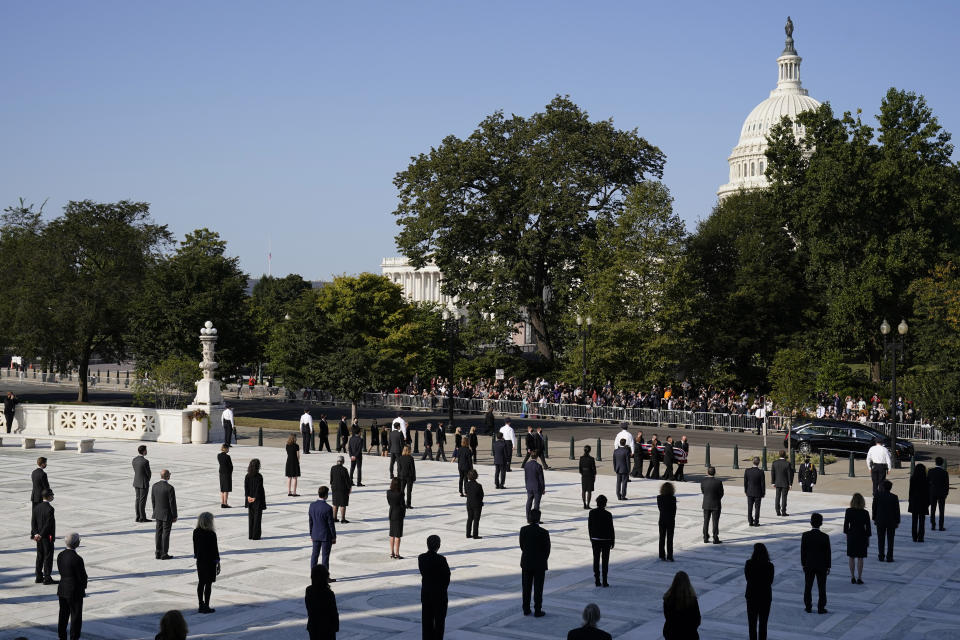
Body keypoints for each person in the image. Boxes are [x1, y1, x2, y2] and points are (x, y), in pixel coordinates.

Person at [519, 508, 550, 617]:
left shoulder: (523, 530)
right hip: (539, 563)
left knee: (526, 587)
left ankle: (526, 609)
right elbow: (547, 550)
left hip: (526, 562)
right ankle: (537, 610)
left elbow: (522, 546)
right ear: (539, 518)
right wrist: (542, 559)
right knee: (538, 588)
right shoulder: (544, 532)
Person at [419, 534, 450, 640]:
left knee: (426, 623)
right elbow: (447, 578)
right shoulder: (441, 560)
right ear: (438, 546)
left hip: (426, 595)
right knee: (439, 624)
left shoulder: (421, 558)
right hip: (439, 596)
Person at [57, 532, 87, 640]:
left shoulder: (60, 555)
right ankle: (74, 638)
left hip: (62, 589)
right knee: (75, 617)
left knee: (63, 615)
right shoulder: (77, 559)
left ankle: (62, 636)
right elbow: (82, 577)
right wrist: (83, 587)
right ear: (76, 543)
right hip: (74, 591)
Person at [801, 512, 831, 614]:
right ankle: (821, 608)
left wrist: (803, 564)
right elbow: (828, 553)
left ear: (811, 523)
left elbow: (803, 552)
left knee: (808, 586)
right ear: (821, 523)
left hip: (809, 564)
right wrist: (828, 566)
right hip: (821, 565)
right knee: (822, 587)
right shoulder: (825, 537)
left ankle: (808, 606)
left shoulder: (805, 535)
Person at [744, 543, 773, 640]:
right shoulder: (770, 566)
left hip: (752, 596)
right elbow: (770, 581)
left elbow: (747, 578)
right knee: (763, 624)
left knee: (752, 624)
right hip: (765, 597)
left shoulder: (749, 563)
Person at [192, 512, 220, 613]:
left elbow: (195, 547)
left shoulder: (196, 532)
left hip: (200, 561)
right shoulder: (211, 534)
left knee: (201, 582)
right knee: (208, 584)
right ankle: (207, 605)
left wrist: (197, 555)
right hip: (210, 562)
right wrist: (218, 562)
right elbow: (215, 550)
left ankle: (201, 604)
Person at [662, 571, 701, 640]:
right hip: (689, 634)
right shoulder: (692, 600)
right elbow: (697, 619)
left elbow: (667, 617)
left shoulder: (668, 599)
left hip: (672, 634)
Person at [843, 492, 871, 584]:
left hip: (852, 535)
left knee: (851, 557)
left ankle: (852, 577)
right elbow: (868, 527)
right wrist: (868, 538)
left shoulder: (849, 511)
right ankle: (859, 577)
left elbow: (846, 526)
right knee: (860, 558)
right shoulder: (865, 513)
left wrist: (847, 536)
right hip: (862, 536)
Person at [305, 564, 339, 640]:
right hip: (327, 628)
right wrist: (336, 627)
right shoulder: (328, 593)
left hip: (313, 626)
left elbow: (309, 607)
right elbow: (333, 612)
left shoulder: (309, 590)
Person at [309, 486, 337, 572]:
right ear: (326, 495)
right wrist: (334, 536)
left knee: (314, 555)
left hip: (315, 534)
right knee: (325, 557)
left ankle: (313, 574)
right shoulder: (328, 508)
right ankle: (325, 577)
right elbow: (331, 524)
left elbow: (310, 521)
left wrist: (311, 533)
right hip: (326, 536)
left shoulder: (312, 505)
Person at [31, 489, 57, 584]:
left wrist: (36, 534)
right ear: (49, 496)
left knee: (39, 556)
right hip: (47, 537)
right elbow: (48, 524)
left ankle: (38, 576)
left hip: (38, 537)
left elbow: (33, 523)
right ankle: (47, 577)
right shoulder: (50, 509)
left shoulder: (36, 507)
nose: (53, 497)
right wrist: (41, 534)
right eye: (52, 495)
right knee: (48, 556)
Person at [588, 495, 614, 586]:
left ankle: (597, 580)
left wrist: (591, 537)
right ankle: (605, 580)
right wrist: (613, 540)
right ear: (605, 504)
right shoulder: (608, 514)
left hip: (595, 539)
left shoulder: (592, 512)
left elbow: (590, 526)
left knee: (596, 560)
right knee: (605, 561)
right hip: (606, 539)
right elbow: (611, 528)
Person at [872, 479, 900, 562]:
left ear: (883, 487)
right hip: (891, 521)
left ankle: (881, 556)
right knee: (890, 540)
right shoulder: (894, 497)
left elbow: (874, 508)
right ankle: (889, 557)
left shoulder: (877, 496)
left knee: (881, 539)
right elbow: (897, 510)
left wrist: (874, 518)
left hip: (880, 520)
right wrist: (897, 521)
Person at [151, 470, 178, 559]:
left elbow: (153, 500)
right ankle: (164, 553)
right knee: (166, 534)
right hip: (167, 515)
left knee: (158, 533)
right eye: (169, 474)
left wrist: (155, 511)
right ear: (167, 476)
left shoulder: (155, 486)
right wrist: (174, 515)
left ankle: (158, 552)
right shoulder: (170, 488)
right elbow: (172, 503)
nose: (170, 475)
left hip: (158, 513)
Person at [244, 459, 266, 540]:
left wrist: (248, 496)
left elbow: (246, 487)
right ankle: (256, 535)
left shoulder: (247, 475)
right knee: (257, 518)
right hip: (258, 500)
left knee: (251, 518)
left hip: (250, 500)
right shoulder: (259, 476)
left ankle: (251, 535)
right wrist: (255, 497)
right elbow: (259, 488)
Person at [701, 466, 723, 544]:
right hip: (716, 504)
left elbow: (703, 491)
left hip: (706, 503)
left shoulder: (703, 481)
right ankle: (715, 538)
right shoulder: (718, 482)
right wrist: (717, 499)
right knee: (715, 522)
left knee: (706, 521)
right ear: (715, 473)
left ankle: (705, 538)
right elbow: (721, 494)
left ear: (707, 472)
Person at [908, 463, 929, 542]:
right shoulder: (926, 479)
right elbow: (928, 492)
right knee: (922, 521)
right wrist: (928, 503)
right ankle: (921, 537)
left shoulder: (913, 478)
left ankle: (914, 536)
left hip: (914, 501)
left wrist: (910, 501)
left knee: (914, 520)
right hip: (923, 502)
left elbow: (910, 491)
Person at [928, 456, 949, 531]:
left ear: (935, 462)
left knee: (933, 510)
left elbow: (928, 483)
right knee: (941, 510)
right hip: (941, 493)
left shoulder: (930, 471)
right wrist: (946, 493)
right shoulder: (944, 472)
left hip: (933, 492)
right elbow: (946, 484)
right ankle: (941, 526)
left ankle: (933, 525)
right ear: (942, 463)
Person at [770, 450, 794, 516]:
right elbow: (789, 475)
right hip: (785, 483)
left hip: (777, 482)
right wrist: (790, 484)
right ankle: (783, 512)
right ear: (785, 455)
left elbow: (772, 473)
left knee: (777, 497)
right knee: (784, 497)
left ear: (779, 455)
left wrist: (773, 482)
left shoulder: (774, 463)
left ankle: (777, 511)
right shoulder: (787, 463)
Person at [387, 478, 406, 559]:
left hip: (391, 513)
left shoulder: (388, 492)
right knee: (398, 535)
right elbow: (403, 505)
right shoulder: (400, 493)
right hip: (398, 514)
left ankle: (391, 552)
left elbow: (389, 502)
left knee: (392, 534)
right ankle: (397, 553)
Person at [133, 445, 152, 523]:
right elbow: (148, 473)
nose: (147, 451)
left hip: (136, 482)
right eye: (146, 450)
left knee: (137, 500)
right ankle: (142, 518)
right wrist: (147, 479)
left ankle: (138, 516)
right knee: (142, 501)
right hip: (143, 483)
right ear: (144, 451)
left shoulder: (134, 460)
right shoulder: (145, 461)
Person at [658, 482, 677, 561]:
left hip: (662, 519)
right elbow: (674, 511)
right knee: (670, 539)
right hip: (670, 520)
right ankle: (670, 556)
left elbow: (660, 508)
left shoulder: (659, 498)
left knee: (661, 538)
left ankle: (662, 555)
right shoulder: (673, 498)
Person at [744, 457, 765, 527]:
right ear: (758, 463)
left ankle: (750, 521)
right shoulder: (761, 472)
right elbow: (762, 483)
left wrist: (746, 491)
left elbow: (745, 482)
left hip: (749, 492)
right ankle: (756, 522)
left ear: (752, 462)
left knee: (749, 508)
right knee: (757, 508)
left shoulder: (747, 471)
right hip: (758, 492)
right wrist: (763, 492)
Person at [330, 456, 351, 523]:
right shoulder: (344, 470)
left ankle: (334, 518)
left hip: (335, 487)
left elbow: (331, 478)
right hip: (343, 488)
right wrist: (349, 488)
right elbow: (347, 480)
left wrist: (332, 485)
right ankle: (343, 519)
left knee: (335, 503)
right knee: (343, 504)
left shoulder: (333, 468)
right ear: (343, 462)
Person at [524, 452, 545, 520]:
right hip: (537, 487)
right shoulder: (538, 466)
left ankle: (528, 518)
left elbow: (526, 477)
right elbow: (541, 479)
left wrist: (527, 485)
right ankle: (535, 519)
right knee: (536, 504)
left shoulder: (526, 465)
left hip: (529, 486)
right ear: (537, 457)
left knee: (529, 502)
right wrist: (543, 489)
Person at [465, 469, 484, 539]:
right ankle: (475, 535)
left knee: (469, 518)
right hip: (477, 504)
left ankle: (468, 533)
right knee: (476, 519)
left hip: (469, 503)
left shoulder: (467, 484)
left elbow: (466, 492)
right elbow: (481, 495)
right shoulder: (478, 485)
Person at [579, 444, 597, 509]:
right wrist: (594, 476)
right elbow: (594, 469)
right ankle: (588, 505)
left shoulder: (581, 458)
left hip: (584, 476)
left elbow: (580, 469)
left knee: (583, 490)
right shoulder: (591, 459)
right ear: (590, 451)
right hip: (590, 476)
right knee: (589, 491)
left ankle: (584, 504)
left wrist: (583, 474)